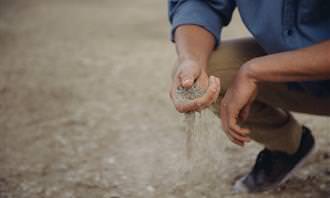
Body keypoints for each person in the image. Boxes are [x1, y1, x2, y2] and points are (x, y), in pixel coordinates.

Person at [168, 0, 330, 193]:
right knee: (211, 69)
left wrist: (255, 72)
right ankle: (289, 146)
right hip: (301, 69)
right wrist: (191, 59)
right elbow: (201, 3)